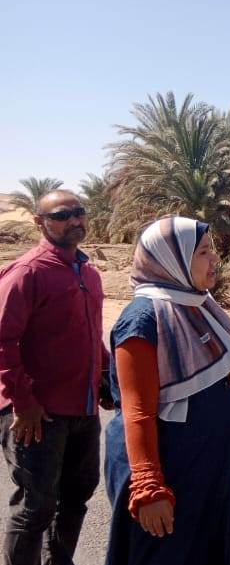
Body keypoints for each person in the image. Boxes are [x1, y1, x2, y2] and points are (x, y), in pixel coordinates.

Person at [103, 216, 230, 565]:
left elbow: (202, 366)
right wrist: (149, 487)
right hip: (169, 473)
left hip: (210, 469)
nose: (215, 260)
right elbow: (138, 412)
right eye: (204, 252)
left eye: (212, 250)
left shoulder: (195, 305)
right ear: (173, 259)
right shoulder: (142, 320)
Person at [0, 189, 111, 565]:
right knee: (35, 507)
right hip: (37, 414)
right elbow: (3, 341)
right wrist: (24, 402)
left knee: (76, 498)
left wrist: (106, 377)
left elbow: (90, 337)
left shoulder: (89, 273)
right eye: (62, 216)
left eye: (79, 212)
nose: (74, 220)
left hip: (83, 410)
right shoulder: (27, 272)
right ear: (39, 222)